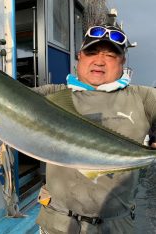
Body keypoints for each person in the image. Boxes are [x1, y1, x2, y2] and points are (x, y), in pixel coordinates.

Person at [34, 24, 156, 234]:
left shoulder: (142, 97)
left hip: (116, 226)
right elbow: (5, 98)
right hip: (56, 224)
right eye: (91, 52)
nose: (99, 61)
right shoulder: (53, 95)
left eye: (110, 55)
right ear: (79, 56)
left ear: (122, 61)